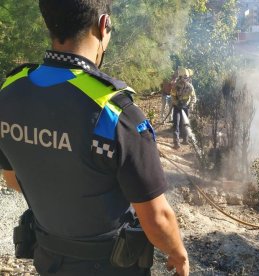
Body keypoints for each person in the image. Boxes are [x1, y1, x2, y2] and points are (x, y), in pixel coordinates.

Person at [0, 1, 189, 275]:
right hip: (110, 266)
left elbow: (13, 178)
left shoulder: (9, 93)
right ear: (103, 25)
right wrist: (178, 254)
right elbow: (156, 218)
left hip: (49, 259)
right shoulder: (116, 113)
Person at [170, 68, 197, 149]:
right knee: (176, 124)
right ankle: (176, 142)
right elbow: (172, 97)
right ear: (180, 77)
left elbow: (193, 97)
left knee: (185, 124)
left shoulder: (190, 86)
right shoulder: (175, 86)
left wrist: (191, 105)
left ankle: (185, 139)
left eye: (186, 77)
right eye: (184, 77)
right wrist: (177, 103)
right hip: (177, 107)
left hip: (185, 107)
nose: (185, 79)